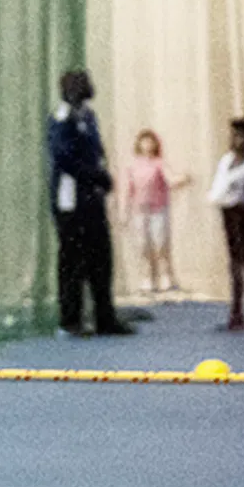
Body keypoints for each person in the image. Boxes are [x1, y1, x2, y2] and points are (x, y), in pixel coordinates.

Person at [45, 69, 115, 338]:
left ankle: (104, 317)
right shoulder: (62, 117)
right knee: (72, 260)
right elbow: (64, 157)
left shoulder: (88, 115)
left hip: (92, 198)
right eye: (77, 85)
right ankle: (70, 320)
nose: (83, 88)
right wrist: (93, 175)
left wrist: (104, 176)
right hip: (70, 201)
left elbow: (96, 150)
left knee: (101, 256)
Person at [209, 122, 244, 335]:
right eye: (233, 135)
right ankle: (236, 311)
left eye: (239, 136)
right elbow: (218, 188)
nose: (234, 140)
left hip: (241, 212)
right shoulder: (227, 160)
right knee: (235, 264)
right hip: (227, 213)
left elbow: (233, 186)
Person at [121, 130, 182, 301]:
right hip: (139, 210)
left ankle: (166, 277)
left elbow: (170, 179)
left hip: (158, 209)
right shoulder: (132, 166)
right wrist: (124, 212)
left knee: (160, 242)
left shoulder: (159, 163)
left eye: (151, 142)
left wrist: (182, 179)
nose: (148, 145)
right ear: (139, 144)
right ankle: (147, 278)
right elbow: (127, 190)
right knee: (143, 245)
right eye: (144, 142)